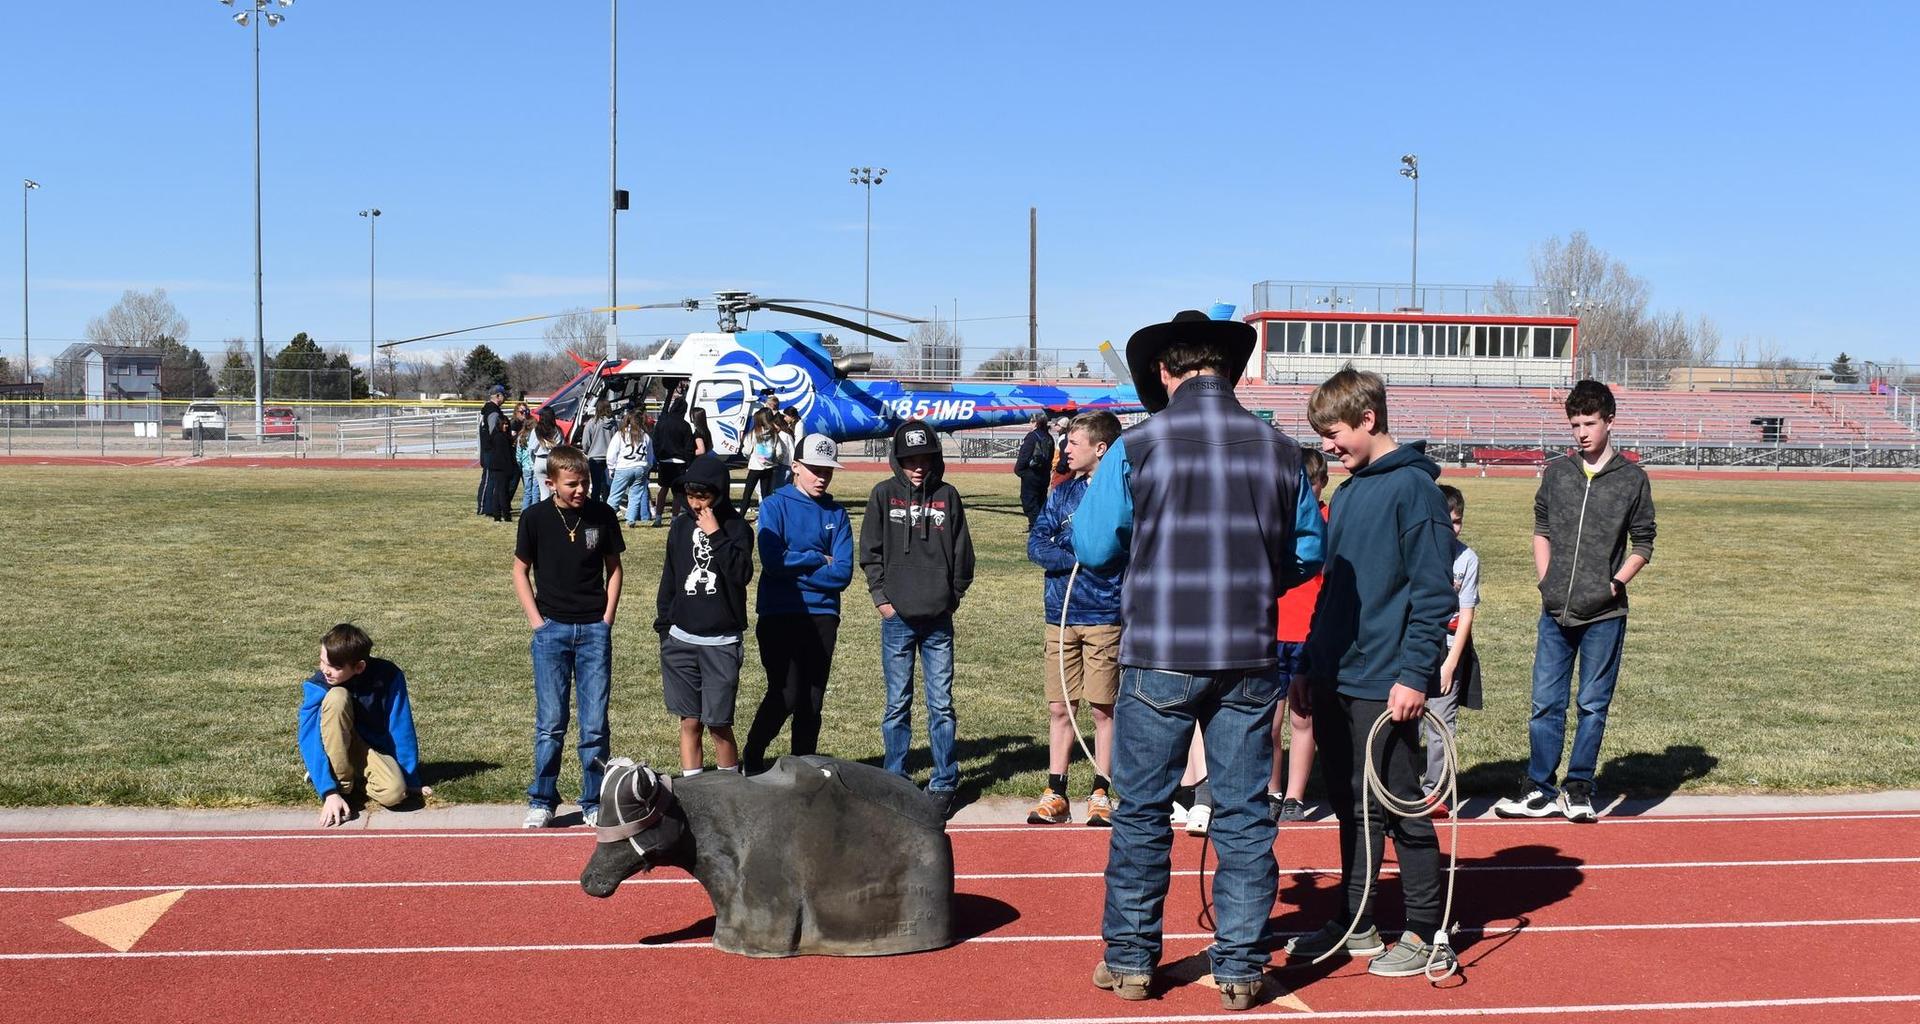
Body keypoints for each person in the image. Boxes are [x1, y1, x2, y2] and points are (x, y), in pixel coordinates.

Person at [1073, 310, 1324, 1010]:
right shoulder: (1278, 448)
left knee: (1143, 812)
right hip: (1247, 651)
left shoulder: (1137, 445)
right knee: (1244, 813)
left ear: (1163, 371)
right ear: (1228, 367)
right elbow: (1309, 550)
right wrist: (1255, 574)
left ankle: (1129, 961)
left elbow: (1094, 548)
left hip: (1160, 650)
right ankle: (1241, 966)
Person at [1284, 367, 1457, 979]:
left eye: (1333, 434)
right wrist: (1308, 660)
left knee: (1402, 805)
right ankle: (1357, 918)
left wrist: (1415, 674)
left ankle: (1426, 927)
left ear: (1368, 420)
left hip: (1386, 684)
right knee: (1352, 807)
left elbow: (1435, 596)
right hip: (1334, 675)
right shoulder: (1351, 491)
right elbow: (1332, 593)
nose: (1327, 446)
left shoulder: (1416, 492)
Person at [1495, 379, 1656, 823]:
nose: (1582, 432)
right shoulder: (1558, 472)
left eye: (1589, 423)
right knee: (1545, 702)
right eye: (1575, 424)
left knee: (1592, 703)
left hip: (1604, 613)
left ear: (1609, 421)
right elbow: (1541, 527)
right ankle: (1540, 789)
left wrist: (1615, 583)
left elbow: (1644, 542)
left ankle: (1579, 787)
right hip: (1555, 610)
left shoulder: (1632, 479)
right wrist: (1546, 580)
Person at [860, 420, 976, 820]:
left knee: (941, 704)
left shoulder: (948, 497)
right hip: (897, 619)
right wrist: (882, 599)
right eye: (910, 460)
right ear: (898, 461)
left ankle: (944, 781)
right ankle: (896, 778)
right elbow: (870, 552)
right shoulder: (882, 496)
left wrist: (952, 597)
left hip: (938, 620)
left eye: (925, 458)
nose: (918, 467)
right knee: (897, 704)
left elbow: (964, 554)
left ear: (934, 459)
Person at [512, 445, 624, 828]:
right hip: (552, 631)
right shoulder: (534, 518)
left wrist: (606, 618)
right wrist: (537, 622)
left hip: (594, 630)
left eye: (585, 483)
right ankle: (542, 799)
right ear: (551, 483)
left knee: (594, 724)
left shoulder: (602, 515)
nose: (581, 490)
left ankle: (593, 800)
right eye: (572, 484)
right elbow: (519, 570)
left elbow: (615, 569)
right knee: (551, 722)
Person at [1025, 410, 1124, 827]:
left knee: (1104, 709)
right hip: (1060, 615)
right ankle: (1057, 790)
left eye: (1073, 443)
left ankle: (1101, 791)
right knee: (1060, 708)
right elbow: (1036, 543)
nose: (1064, 448)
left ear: (1100, 449)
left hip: (1104, 613)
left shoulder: (1121, 493)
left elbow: (1118, 551)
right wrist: (1076, 555)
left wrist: (1094, 556)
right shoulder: (1061, 494)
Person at [741, 434, 854, 774]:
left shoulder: (837, 512)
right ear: (795, 467)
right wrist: (818, 558)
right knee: (787, 692)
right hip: (780, 612)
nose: (822, 477)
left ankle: (803, 766)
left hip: (823, 614)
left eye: (828, 471)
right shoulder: (775, 505)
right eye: (815, 469)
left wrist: (797, 569)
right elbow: (773, 560)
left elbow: (843, 573)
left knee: (812, 698)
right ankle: (753, 753)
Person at [655, 454, 755, 776]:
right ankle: (694, 792)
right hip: (681, 639)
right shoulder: (680, 526)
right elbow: (670, 577)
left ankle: (728, 793)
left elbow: (741, 574)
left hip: (721, 642)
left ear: (720, 494)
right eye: (690, 495)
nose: (696, 503)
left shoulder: (737, 528)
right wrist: (665, 627)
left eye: (703, 496)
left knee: (718, 724)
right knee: (690, 722)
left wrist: (715, 533)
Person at [295, 623, 427, 828]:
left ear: (359, 667)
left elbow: (401, 728)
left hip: (368, 749)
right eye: (323, 661)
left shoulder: (389, 676)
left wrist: (410, 779)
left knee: (395, 794)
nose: (325, 670)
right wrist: (328, 792)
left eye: (335, 667)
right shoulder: (318, 684)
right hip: (333, 743)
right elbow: (309, 737)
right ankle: (340, 784)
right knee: (337, 696)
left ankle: (355, 777)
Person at [1269, 447, 1330, 823]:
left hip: (1308, 636)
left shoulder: (1326, 521)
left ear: (1322, 483)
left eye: (1313, 483)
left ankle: (1295, 795)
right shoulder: (1277, 523)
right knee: (1269, 722)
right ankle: (1273, 789)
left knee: (1302, 719)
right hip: (1273, 633)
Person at [1422, 484, 1481, 812]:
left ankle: (1436, 790)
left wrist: (1451, 664)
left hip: (1448, 649)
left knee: (1441, 722)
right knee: (1405, 720)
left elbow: (1467, 614)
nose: (1451, 529)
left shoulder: (1467, 559)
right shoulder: (1417, 552)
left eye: (1457, 522)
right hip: (1416, 646)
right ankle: (1399, 786)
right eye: (1445, 521)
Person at [651, 387, 695, 525]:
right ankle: (674, 518)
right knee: (678, 492)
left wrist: (658, 457)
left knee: (663, 489)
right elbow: (689, 447)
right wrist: (689, 463)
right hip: (680, 462)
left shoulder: (661, 422)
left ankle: (658, 517)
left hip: (664, 460)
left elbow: (655, 441)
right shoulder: (685, 426)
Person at [739, 409, 789, 516]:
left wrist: (748, 457)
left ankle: (741, 515)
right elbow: (780, 451)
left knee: (747, 493)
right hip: (769, 468)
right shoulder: (774, 434)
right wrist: (776, 460)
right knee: (766, 494)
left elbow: (747, 450)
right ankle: (765, 516)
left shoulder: (753, 434)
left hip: (755, 468)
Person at [607, 411, 653, 527]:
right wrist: (647, 468)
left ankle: (607, 517)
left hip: (623, 467)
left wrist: (611, 468)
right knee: (635, 495)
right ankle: (630, 520)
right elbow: (650, 456)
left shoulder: (621, 434)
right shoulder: (645, 436)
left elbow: (612, 453)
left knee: (615, 495)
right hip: (640, 467)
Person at [479, 384, 516, 522]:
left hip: (490, 451)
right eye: (504, 395)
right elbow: (493, 433)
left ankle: (489, 507)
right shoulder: (493, 412)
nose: (505, 398)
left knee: (492, 481)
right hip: (491, 452)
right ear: (498, 396)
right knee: (490, 481)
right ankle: (487, 508)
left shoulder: (489, 410)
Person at [1013, 412, 1055, 529]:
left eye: (1031, 421)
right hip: (1044, 474)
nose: (1029, 423)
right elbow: (1050, 457)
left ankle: (1037, 526)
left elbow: (1024, 456)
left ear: (1036, 423)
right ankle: (1041, 524)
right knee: (1041, 500)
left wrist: (1019, 471)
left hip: (1031, 474)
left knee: (1029, 501)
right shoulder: (1049, 437)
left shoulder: (1032, 437)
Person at [581, 397, 616, 502]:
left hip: (595, 457)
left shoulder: (591, 423)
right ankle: (607, 506)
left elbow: (585, 442)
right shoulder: (614, 424)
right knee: (608, 485)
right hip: (610, 457)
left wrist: (588, 451)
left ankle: (595, 507)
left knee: (596, 485)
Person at [528, 407, 563, 502]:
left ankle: (545, 511)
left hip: (539, 460)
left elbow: (531, 449)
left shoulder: (536, 430)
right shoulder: (557, 430)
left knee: (543, 491)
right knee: (555, 490)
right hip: (552, 460)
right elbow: (561, 448)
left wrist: (533, 463)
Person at [1048, 417, 1073, 491]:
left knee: (1056, 489)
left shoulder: (1063, 438)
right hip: (1062, 468)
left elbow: (1063, 455)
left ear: (1063, 427)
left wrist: (1058, 468)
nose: (1054, 426)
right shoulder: (1063, 437)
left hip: (1062, 470)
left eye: (1057, 424)